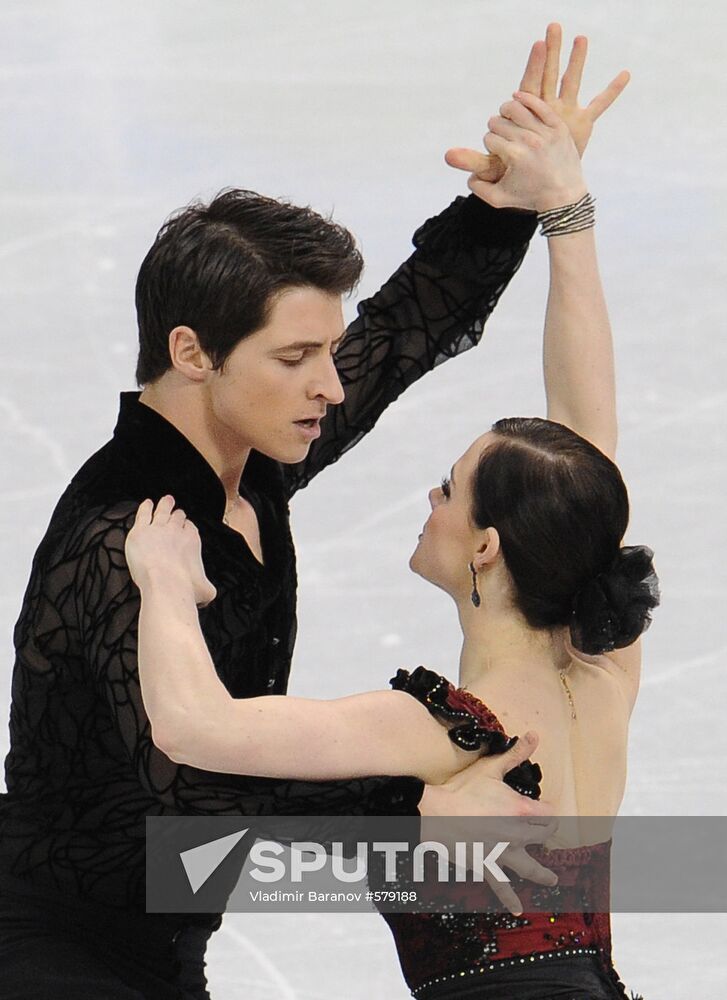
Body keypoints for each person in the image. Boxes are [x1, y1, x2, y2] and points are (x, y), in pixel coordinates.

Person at [0, 24, 628, 1000]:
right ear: (194, 353)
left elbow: (396, 336)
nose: (329, 388)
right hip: (58, 954)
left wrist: (511, 203)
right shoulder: (124, 540)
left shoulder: (248, 462)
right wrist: (422, 788)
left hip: (166, 946)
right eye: (295, 360)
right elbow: (190, 793)